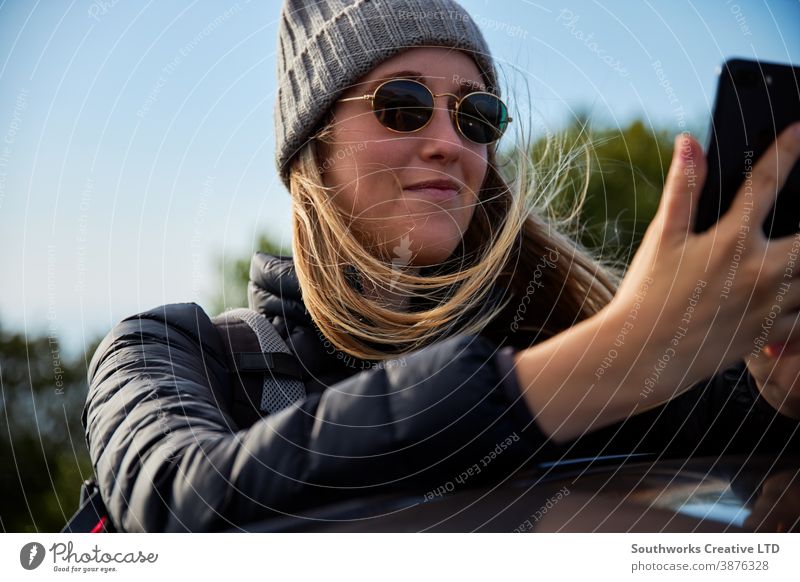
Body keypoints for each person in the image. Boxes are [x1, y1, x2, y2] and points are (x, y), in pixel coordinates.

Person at [83, 0, 800, 532]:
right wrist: (619, 354)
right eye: (403, 105)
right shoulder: (172, 351)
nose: (449, 143)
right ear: (314, 149)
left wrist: (775, 392)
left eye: (476, 115)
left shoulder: (541, 339)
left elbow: (708, 454)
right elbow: (180, 508)